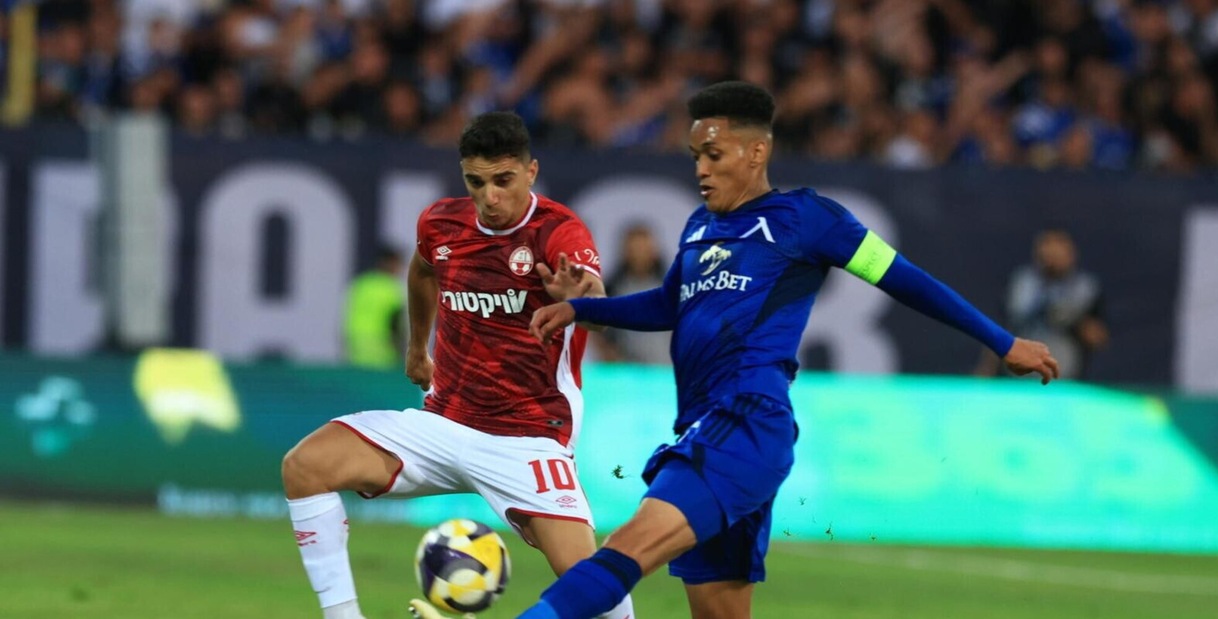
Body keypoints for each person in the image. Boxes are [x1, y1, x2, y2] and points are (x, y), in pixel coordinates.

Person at [516, 81, 1060, 619]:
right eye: (695, 156)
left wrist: (1003, 341)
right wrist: (583, 309)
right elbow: (668, 306)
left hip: (746, 422)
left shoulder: (809, 219)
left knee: (626, 549)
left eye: (714, 154)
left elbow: (904, 278)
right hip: (708, 426)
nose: (701, 169)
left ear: (757, 152)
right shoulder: (699, 227)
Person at [281, 111, 635, 619]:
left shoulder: (557, 232)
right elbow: (424, 268)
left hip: (528, 436)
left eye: (503, 181)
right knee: (305, 466)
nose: (490, 196)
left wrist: (582, 302)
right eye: (477, 182)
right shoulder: (442, 223)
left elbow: (595, 302)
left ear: (530, 172)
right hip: (442, 423)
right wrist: (416, 347)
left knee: (599, 596)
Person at [977, 228, 1107, 380]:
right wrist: (985, 371)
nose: (1051, 253)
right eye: (1046, 245)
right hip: (1017, 379)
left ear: (1071, 253)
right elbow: (1001, 327)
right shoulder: (1022, 284)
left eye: (1058, 246)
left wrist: (1074, 320)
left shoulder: (1085, 289)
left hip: (1064, 377)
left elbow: (1098, 338)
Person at [595, 223, 673, 365]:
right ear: (625, 252)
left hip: (665, 372)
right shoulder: (610, 290)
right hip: (627, 375)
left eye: (644, 248)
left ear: (654, 251)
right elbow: (598, 330)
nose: (639, 254)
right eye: (634, 249)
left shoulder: (673, 288)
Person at [342, 245, 406, 369]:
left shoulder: (361, 283)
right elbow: (395, 323)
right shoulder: (392, 288)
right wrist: (402, 351)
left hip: (355, 346)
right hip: (382, 348)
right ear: (391, 263)